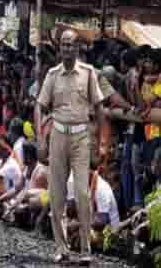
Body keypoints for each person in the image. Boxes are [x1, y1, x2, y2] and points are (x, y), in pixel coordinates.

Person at [35, 29, 135, 265]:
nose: (67, 48)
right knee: (57, 195)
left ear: (77, 47)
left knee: (82, 194)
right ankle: (61, 248)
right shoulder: (52, 75)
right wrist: (41, 139)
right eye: (63, 45)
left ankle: (85, 249)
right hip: (58, 135)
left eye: (70, 44)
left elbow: (100, 108)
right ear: (60, 48)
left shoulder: (89, 74)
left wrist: (102, 142)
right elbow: (39, 106)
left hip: (81, 137)